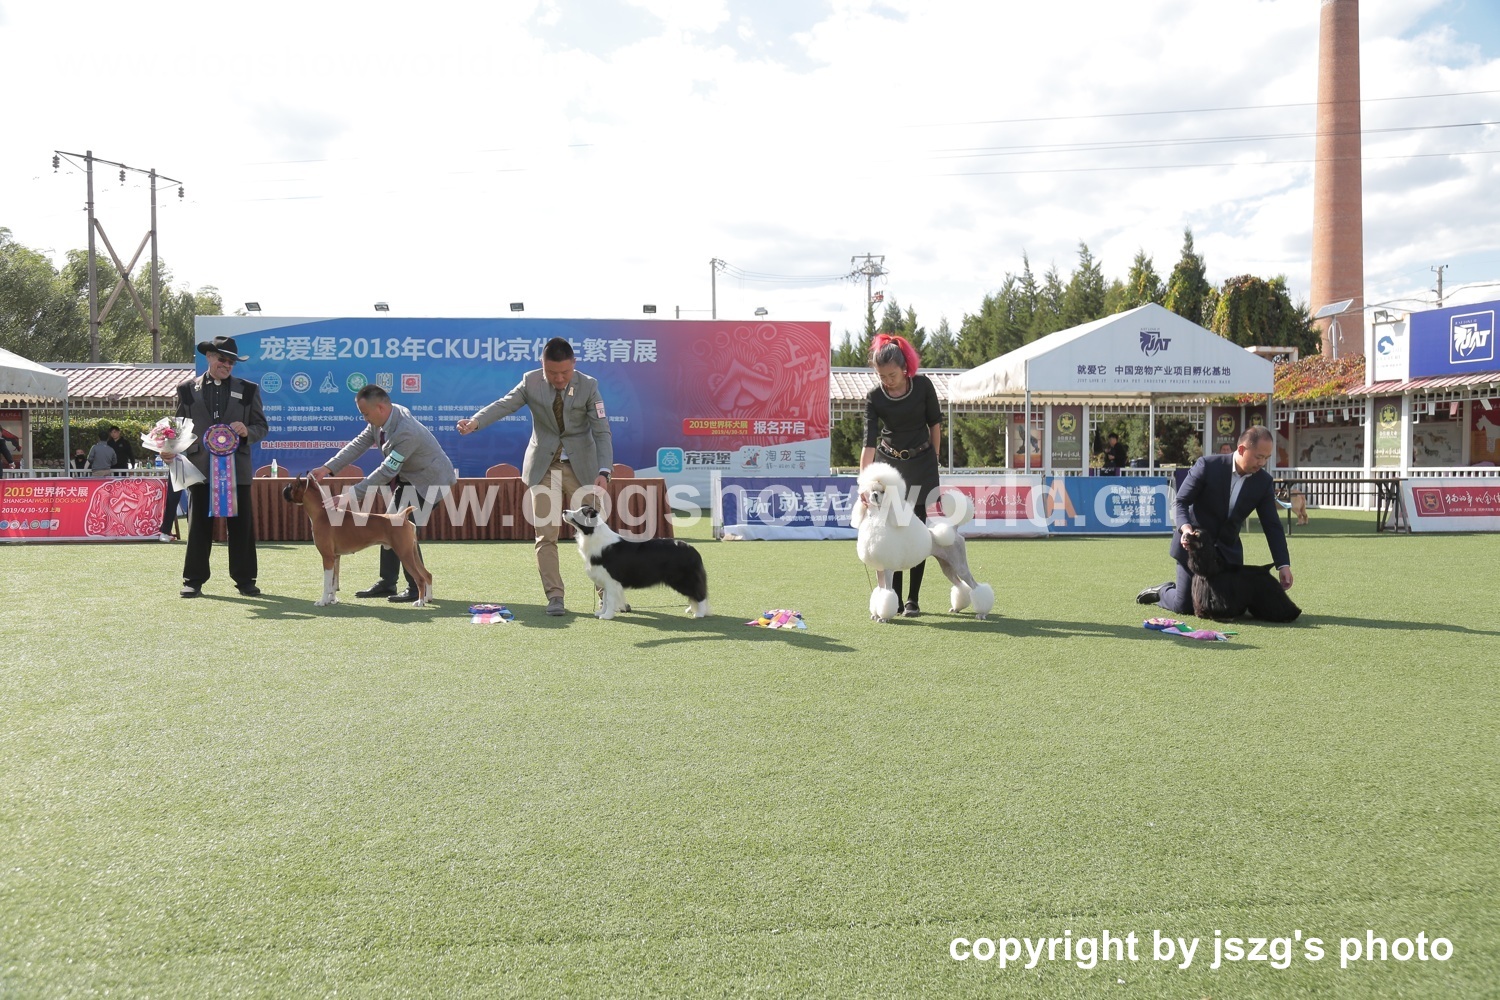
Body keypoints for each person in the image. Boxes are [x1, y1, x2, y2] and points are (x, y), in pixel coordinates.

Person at [456, 337, 613, 616]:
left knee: (596, 534)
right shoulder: (531, 382)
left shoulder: (589, 385)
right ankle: (555, 597)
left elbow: (601, 430)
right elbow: (504, 405)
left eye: (565, 372)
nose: (559, 378)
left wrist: (604, 471)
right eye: (552, 373)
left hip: (583, 468)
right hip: (544, 467)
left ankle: (607, 595)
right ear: (542, 365)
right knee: (546, 535)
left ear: (574, 364)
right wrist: (476, 421)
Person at [310, 384, 456, 602]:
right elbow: (358, 444)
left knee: (399, 529)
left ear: (380, 408)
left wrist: (350, 496)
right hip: (409, 478)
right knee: (388, 523)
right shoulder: (380, 421)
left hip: (430, 481)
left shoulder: (406, 431)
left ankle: (416, 588)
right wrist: (328, 468)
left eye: (365, 414)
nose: (364, 418)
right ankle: (387, 582)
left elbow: (387, 470)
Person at [1136, 425, 1293, 614]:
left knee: (1230, 610)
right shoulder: (1207, 466)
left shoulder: (1263, 481)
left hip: (1227, 554)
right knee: (1185, 606)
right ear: (1241, 449)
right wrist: (1185, 529)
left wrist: (1283, 565)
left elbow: (1272, 525)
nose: (1262, 463)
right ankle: (1163, 591)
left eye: (1267, 458)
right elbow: (1181, 501)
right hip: (1195, 549)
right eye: (1259, 457)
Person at [164, 336, 268, 598]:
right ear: (209, 357)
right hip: (199, 467)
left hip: (237, 469)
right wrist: (169, 449)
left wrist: (247, 431)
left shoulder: (249, 390)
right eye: (222, 359)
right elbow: (178, 426)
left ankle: (245, 580)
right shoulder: (186, 389)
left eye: (232, 362)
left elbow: (261, 426)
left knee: (241, 527)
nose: (227, 365)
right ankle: (193, 580)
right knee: (198, 526)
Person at [859, 333, 941, 617]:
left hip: (921, 464)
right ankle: (890, 598)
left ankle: (912, 600)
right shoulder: (874, 397)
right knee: (889, 532)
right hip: (888, 470)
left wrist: (935, 457)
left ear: (906, 368)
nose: (887, 381)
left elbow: (935, 424)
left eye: (892, 375)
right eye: (881, 376)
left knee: (916, 529)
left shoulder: (923, 386)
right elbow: (869, 443)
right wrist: (864, 483)